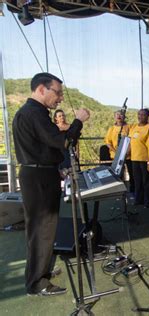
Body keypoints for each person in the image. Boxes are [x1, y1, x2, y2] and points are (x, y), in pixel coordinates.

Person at [12, 72, 90, 296]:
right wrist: (79, 121)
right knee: (42, 230)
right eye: (58, 92)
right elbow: (63, 141)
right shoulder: (35, 113)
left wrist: (55, 167)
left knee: (40, 229)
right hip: (39, 179)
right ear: (41, 89)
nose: (60, 98)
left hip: (38, 175)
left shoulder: (29, 112)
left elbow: (44, 146)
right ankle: (37, 283)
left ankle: (40, 271)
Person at [104, 111, 133, 192]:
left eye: (121, 114)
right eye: (117, 114)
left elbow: (132, 140)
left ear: (124, 116)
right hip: (116, 155)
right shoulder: (111, 128)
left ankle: (132, 190)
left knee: (132, 173)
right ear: (114, 117)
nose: (119, 116)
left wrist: (127, 151)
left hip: (128, 155)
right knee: (118, 174)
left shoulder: (129, 127)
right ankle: (119, 190)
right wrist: (116, 151)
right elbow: (108, 142)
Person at [129, 108, 149, 207]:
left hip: (145, 158)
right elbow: (131, 142)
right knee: (137, 180)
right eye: (139, 114)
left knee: (146, 181)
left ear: (148, 116)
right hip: (134, 158)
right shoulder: (134, 127)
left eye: (143, 115)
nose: (140, 117)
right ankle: (138, 199)